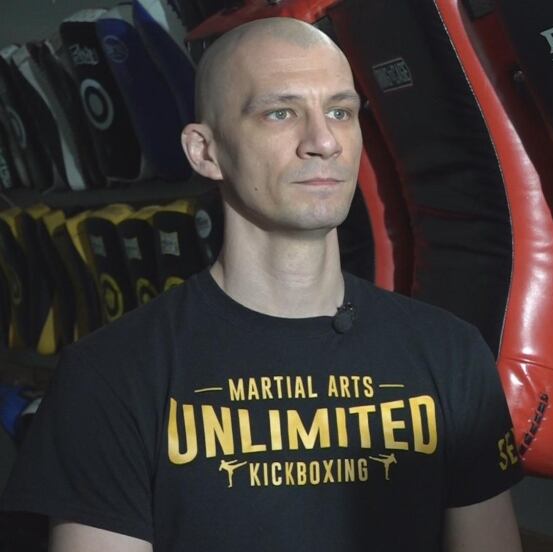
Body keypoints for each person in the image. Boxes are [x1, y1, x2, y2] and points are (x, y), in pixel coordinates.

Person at [0, 18, 524, 551]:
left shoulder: (450, 352)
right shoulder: (111, 376)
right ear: (205, 151)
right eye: (281, 113)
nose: (323, 141)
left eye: (340, 112)